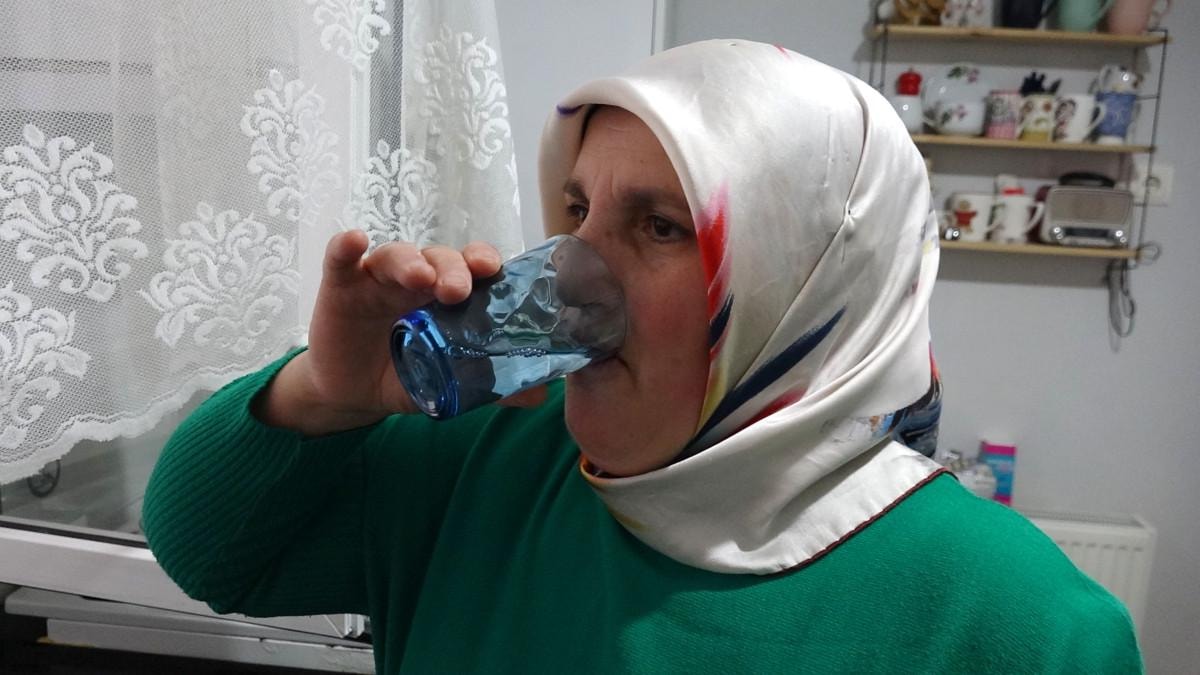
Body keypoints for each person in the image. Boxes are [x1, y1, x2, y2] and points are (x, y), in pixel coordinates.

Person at [143, 40, 1141, 673]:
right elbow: (207, 551)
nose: (571, 273)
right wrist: (324, 394)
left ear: (806, 285)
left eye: (660, 226)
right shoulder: (489, 458)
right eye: (576, 209)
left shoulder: (1017, 625)